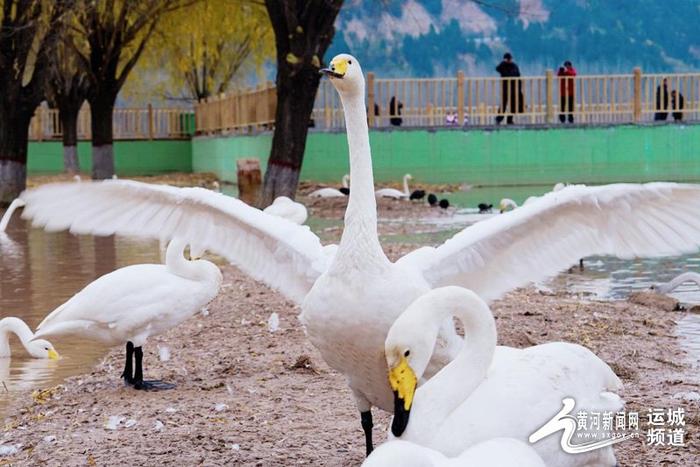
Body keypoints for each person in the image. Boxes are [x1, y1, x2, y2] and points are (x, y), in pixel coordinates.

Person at [495, 52, 523, 125]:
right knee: (503, 104)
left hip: (513, 89)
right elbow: (497, 68)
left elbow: (517, 76)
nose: (509, 60)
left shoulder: (514, 66)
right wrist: (503, 63)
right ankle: (499, 119)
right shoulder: (503, 66)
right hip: (506, 89)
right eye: (508, 59)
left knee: (512, 105)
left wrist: (519, 89)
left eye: (509, 59)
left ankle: (509, 120)